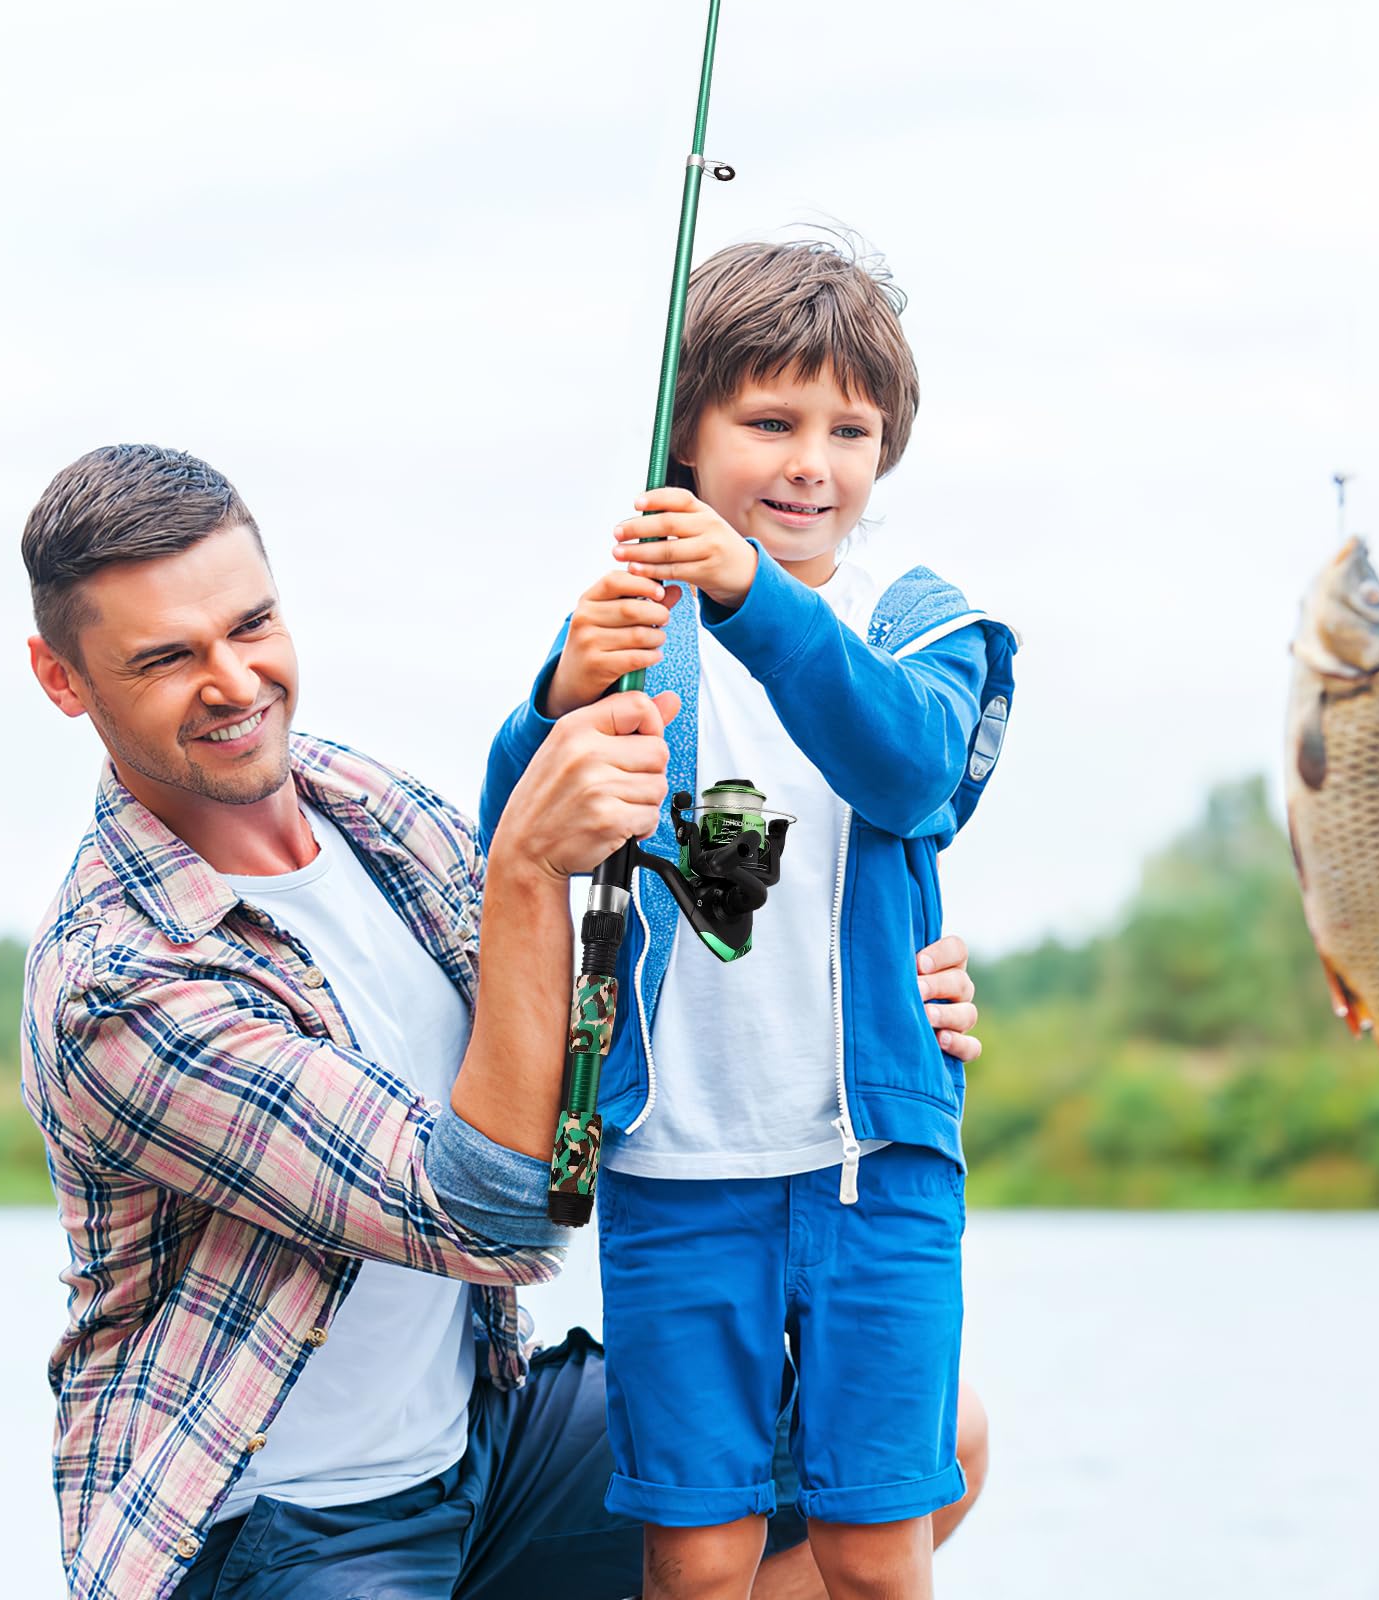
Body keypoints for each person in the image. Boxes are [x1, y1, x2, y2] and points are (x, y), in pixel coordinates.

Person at [17, 443, 987, 1600]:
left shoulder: (366, 804)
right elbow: (486, 1213)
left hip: (490, 1453)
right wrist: (527, 860)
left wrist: (858, 995)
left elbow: (584, 1035)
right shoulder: (114, 981)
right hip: (284, 1532)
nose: (234, 681)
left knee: (934, 1450)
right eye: (168, 658)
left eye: (251, 625)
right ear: (63, 679)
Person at [481, 239, 1017, 1599]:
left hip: (874, 1167)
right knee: (702, 1557)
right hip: (674, 1168)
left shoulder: (919, 625)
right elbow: (514, 835)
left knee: (875, 1547)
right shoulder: (637, 631)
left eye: (849, 430)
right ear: (691, 439)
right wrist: (560, 690)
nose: (809, 462)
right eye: (769, 422)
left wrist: (746, 596)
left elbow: (906, 769)